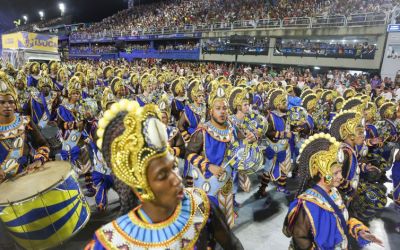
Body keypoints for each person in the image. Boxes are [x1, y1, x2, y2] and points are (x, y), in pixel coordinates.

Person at [86, 99, 243, 249]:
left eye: (173, 166)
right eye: (162, 175)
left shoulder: (202, 205)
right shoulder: (110, 241)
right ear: (140, 187)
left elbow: (233, 245)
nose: (176, 179)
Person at [283, 133, 383, 249]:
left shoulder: (334, 192)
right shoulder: (306, 205)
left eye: (340, 172)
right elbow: (300, 239)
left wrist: (359, 231)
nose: (341, 177)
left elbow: (342, 219)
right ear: (321, 174)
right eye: (335, 173)